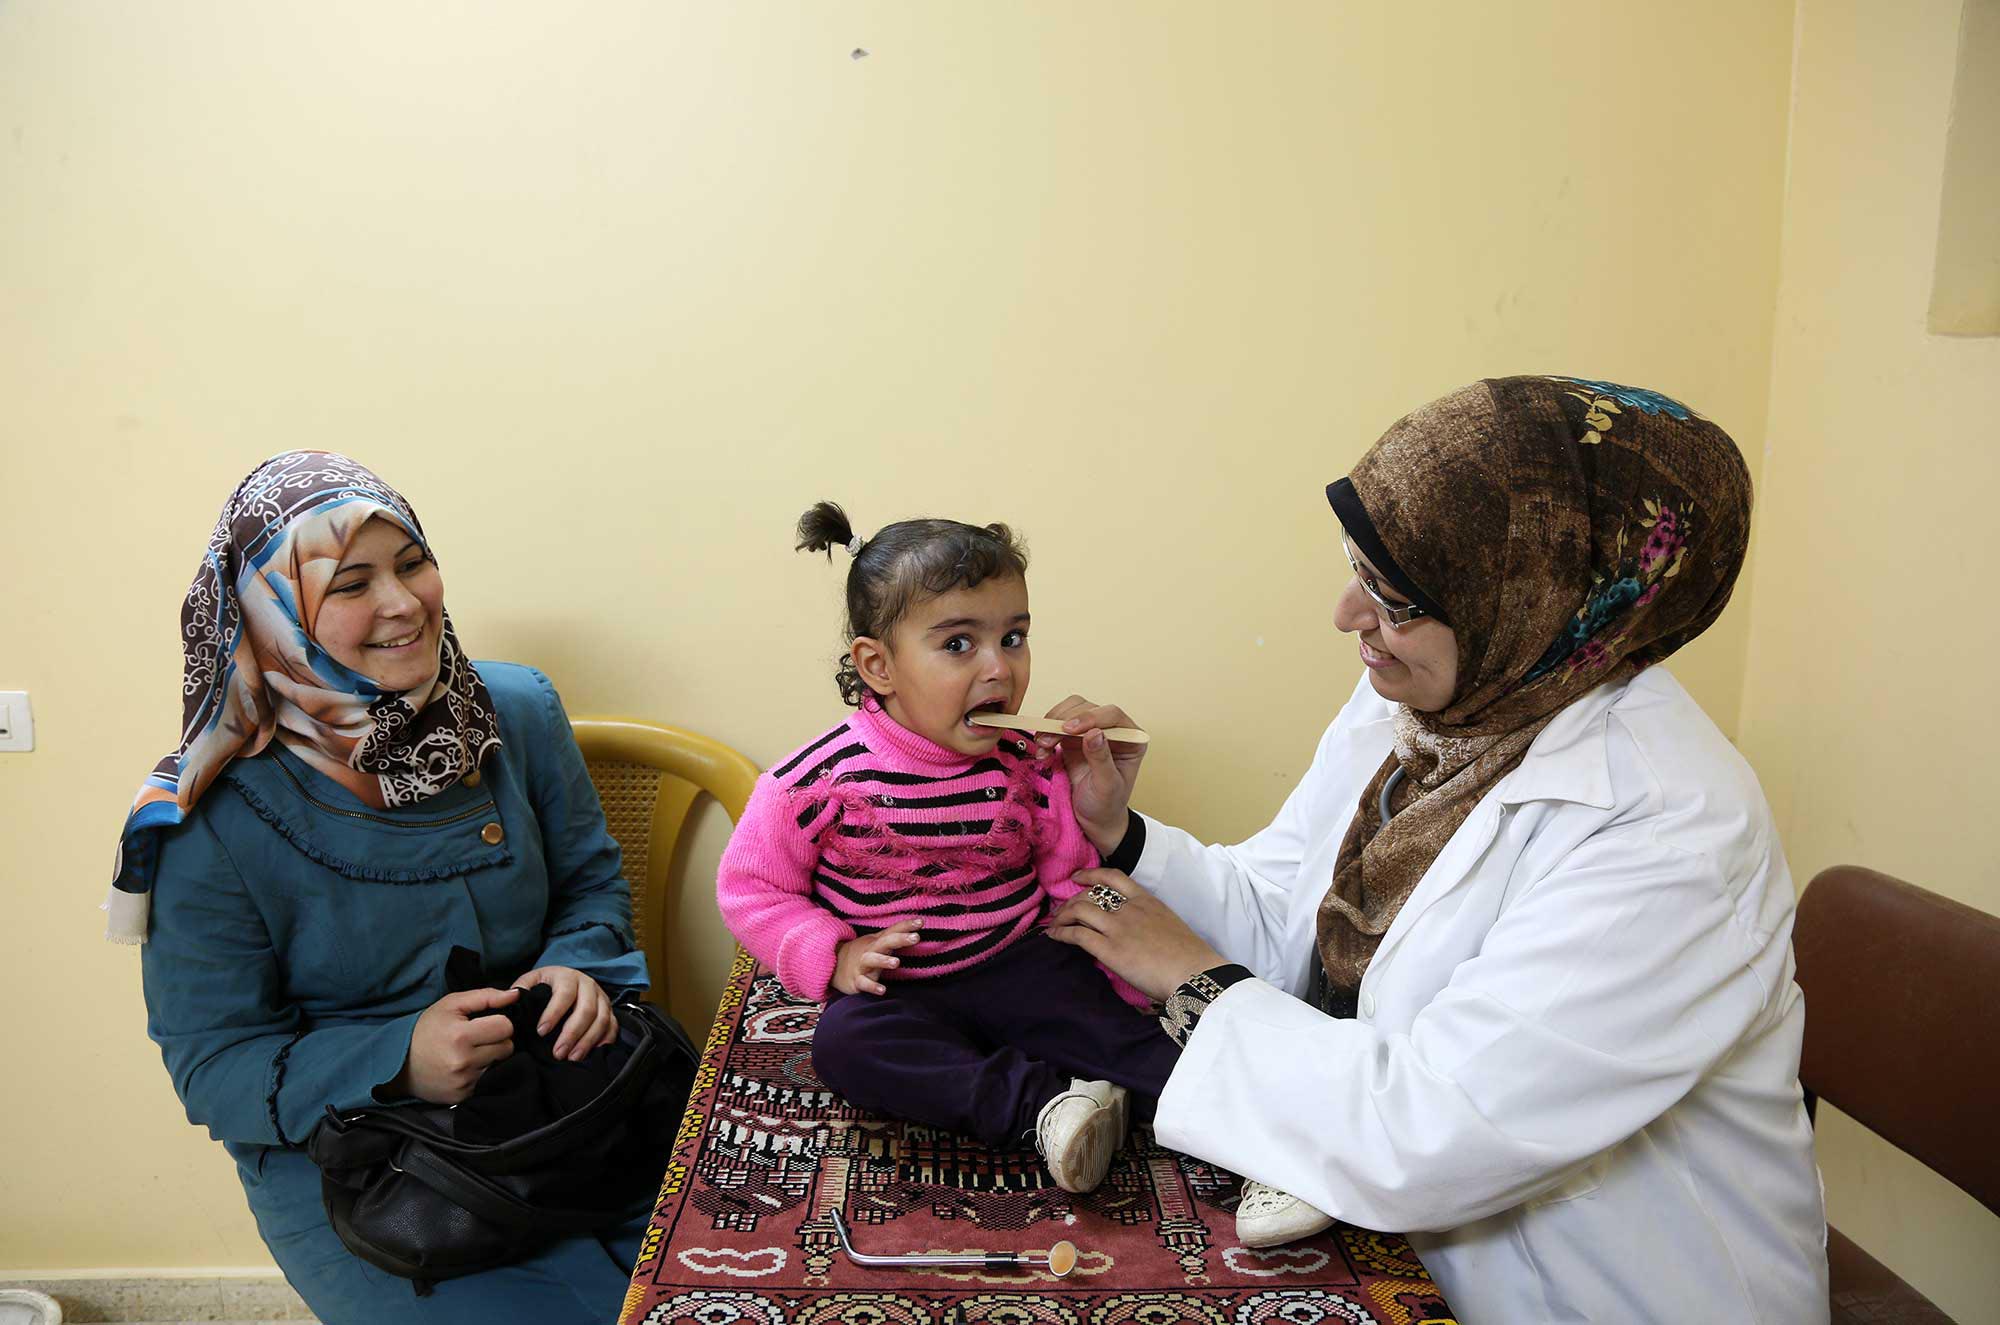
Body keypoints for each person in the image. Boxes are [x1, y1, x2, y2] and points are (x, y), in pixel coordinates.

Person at [1042, 377, 1830, 1318]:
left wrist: (1199, 981)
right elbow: (1291, 907)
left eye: (1395, 596)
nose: (1347, 613)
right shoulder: (1436, 706)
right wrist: (1118, 834)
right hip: (1396, 1237)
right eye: (1359, 568)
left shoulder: (1668, 827)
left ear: (1533, 602)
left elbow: (1432, 1129)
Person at [110, 452, 651, 1325]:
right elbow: (213, 1065)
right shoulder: (209, 814)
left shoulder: (513, 712)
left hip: (563, 1103)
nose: (403, 603)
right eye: (351, 582)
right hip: (361, 1169)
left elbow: (590, 883)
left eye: (412, 562)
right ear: (272, 611)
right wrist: (398, 1059)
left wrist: (580, 966)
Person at [716, 502, 1180, 1195]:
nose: (1000, 669)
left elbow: (1065, 876)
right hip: (901, 989)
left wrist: (1119, 984)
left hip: (1020, 962)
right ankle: (1050, 1108)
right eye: (959, 644)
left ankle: (1238, 1129)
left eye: (1014, 637)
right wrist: (834, 954)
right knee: (847, 1047)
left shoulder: (1029, 760)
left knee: (1132, 1044)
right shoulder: (812, 781)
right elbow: (752, 888)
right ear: (878, 665)